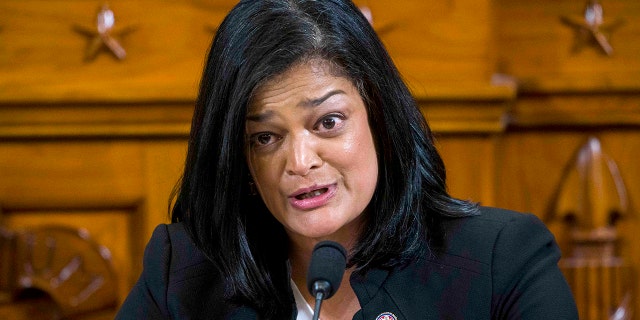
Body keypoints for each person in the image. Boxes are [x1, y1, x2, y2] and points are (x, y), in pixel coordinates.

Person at [116, 0, 578, 319]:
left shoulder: (502, 260)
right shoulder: (184, 272)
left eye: (328, 123)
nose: (299, 161)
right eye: (265, 137)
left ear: (379, 118)